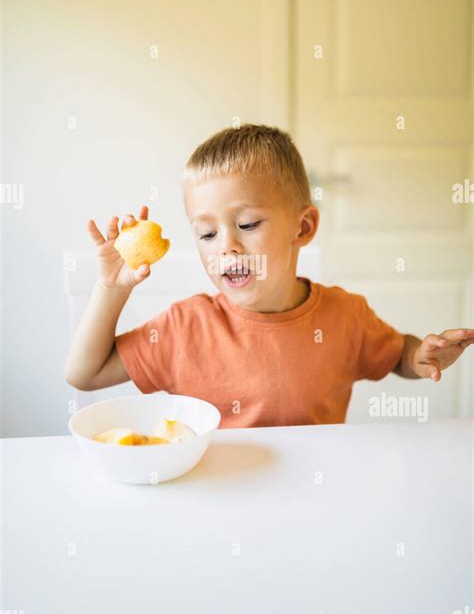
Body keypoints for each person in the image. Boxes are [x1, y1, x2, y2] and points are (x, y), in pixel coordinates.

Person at [64, 124, 474, 428]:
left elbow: (395, 353)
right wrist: (110, 289)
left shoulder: (346, 315)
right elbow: (85, 374)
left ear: (304, 228)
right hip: (218, 500)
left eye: (246, 225)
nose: (226, 247)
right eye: (207, 233)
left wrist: (420, 356)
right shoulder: (184, 328)